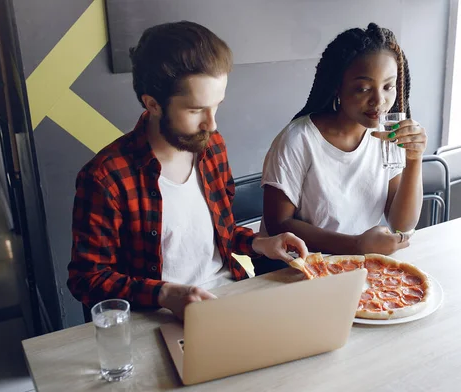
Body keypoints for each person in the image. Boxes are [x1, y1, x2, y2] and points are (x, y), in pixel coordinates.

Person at [67, 21, 307, 319]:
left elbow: (221, 233)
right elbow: (87, 279)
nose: (212, 124)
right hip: (156, 316)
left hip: (228, 298)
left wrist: (262, 243)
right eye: (195, 110)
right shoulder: (106, 177)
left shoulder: (212, 146)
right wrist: (165, 294)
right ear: (153, 104)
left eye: (216, 105)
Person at [261, 23, 426, 257]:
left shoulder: (389, 136)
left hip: (358, 267)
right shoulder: (299, 139)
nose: (379, 100)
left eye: (388, 86)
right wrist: (355, 245)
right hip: (297, 270)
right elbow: (278, 224)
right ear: (337, 87)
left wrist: (414, 158)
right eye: (363, 88)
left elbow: (402, 225)